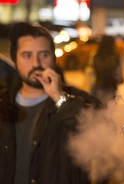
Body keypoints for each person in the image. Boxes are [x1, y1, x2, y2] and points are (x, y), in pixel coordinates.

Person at [0, 22, 109, 184]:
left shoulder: (77, 99)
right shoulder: (3, 103)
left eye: (44, 55)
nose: (36, 63)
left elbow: (104, 136)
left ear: (54, 58)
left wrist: (60, 99)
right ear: (15, 59)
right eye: (27, 55)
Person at [91, 35, 124, 103]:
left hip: (97, 88)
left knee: (98, 111)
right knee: (108, 111)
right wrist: (121, 80)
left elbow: (91, 74)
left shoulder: (96, 57)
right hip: (110, 89)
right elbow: (119, 76)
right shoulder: (115, 58)